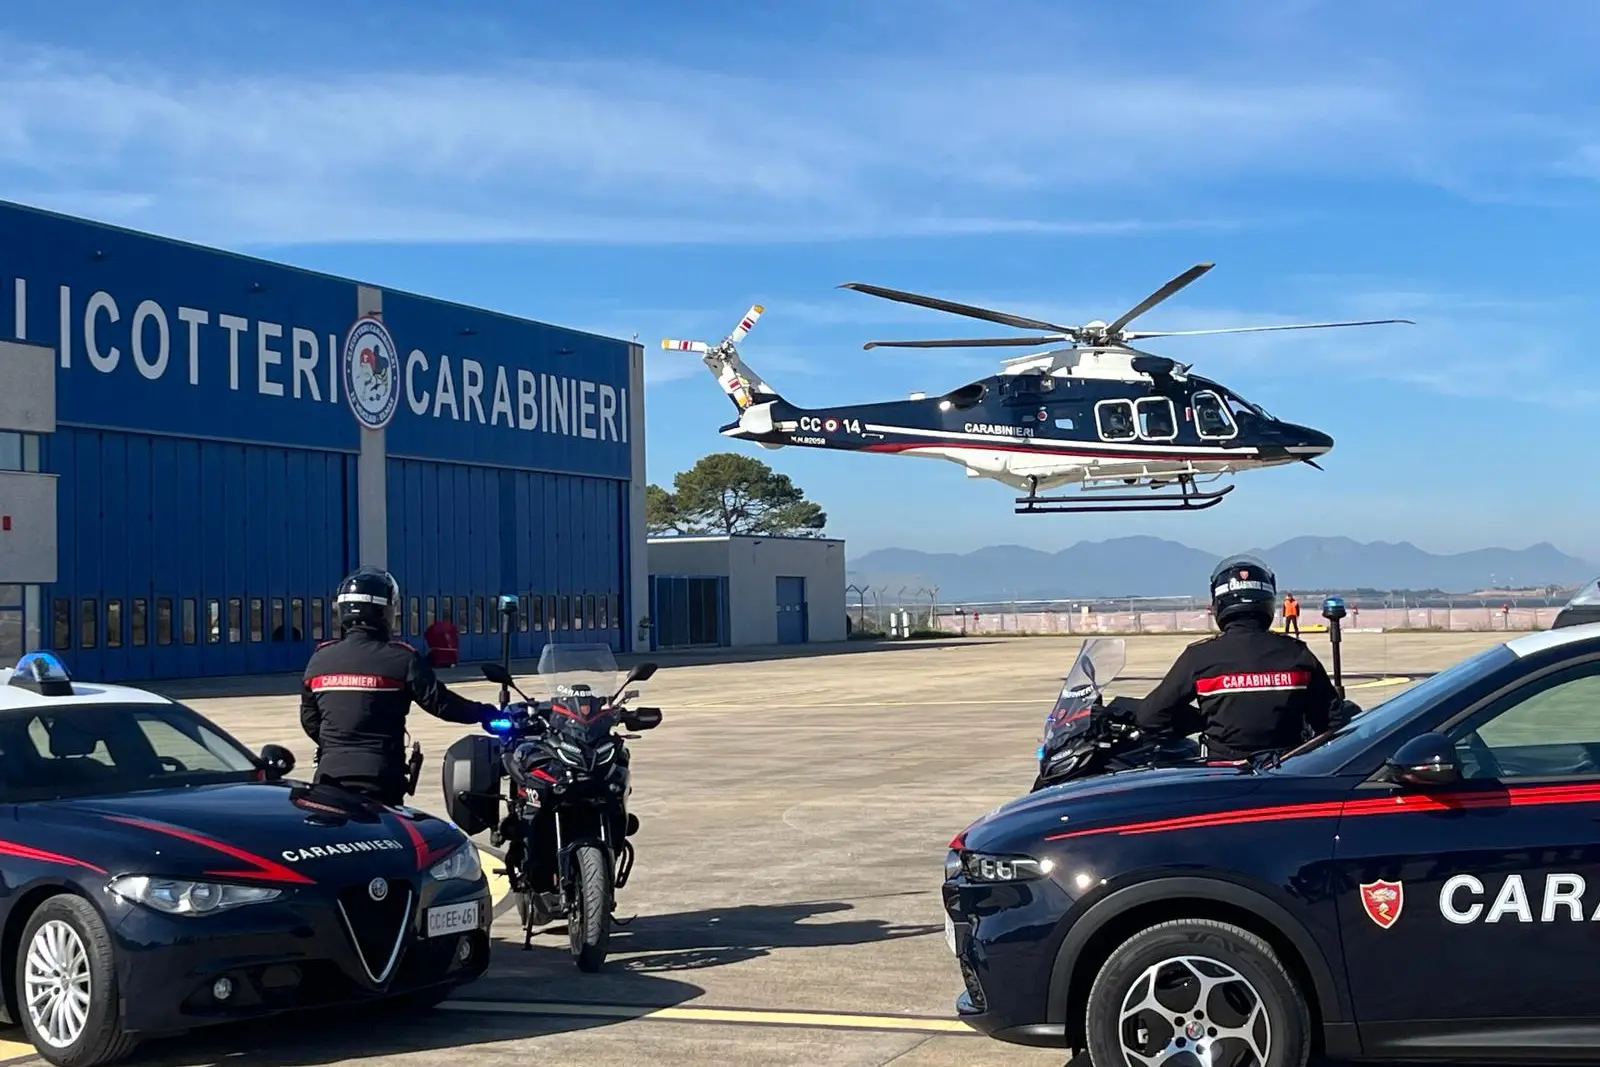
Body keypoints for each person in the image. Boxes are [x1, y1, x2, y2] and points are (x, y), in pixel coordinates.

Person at [300, 567, 498, 806]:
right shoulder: (401, 658)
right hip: (380, 777)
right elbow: (440, 703)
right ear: (384, 610)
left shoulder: (320, 659)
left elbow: (309, 719)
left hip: (329, 775)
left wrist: (337, 743)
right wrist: (485, 713)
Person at [1130, 555, 1350, 761]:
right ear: (1267, 601)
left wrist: (1202, 720)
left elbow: (1150, 716)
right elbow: (1331, 722)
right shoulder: (1296, 653)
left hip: (1223, 778)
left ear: (1218, 604)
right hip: (1286, 773)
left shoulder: (1200, 656)